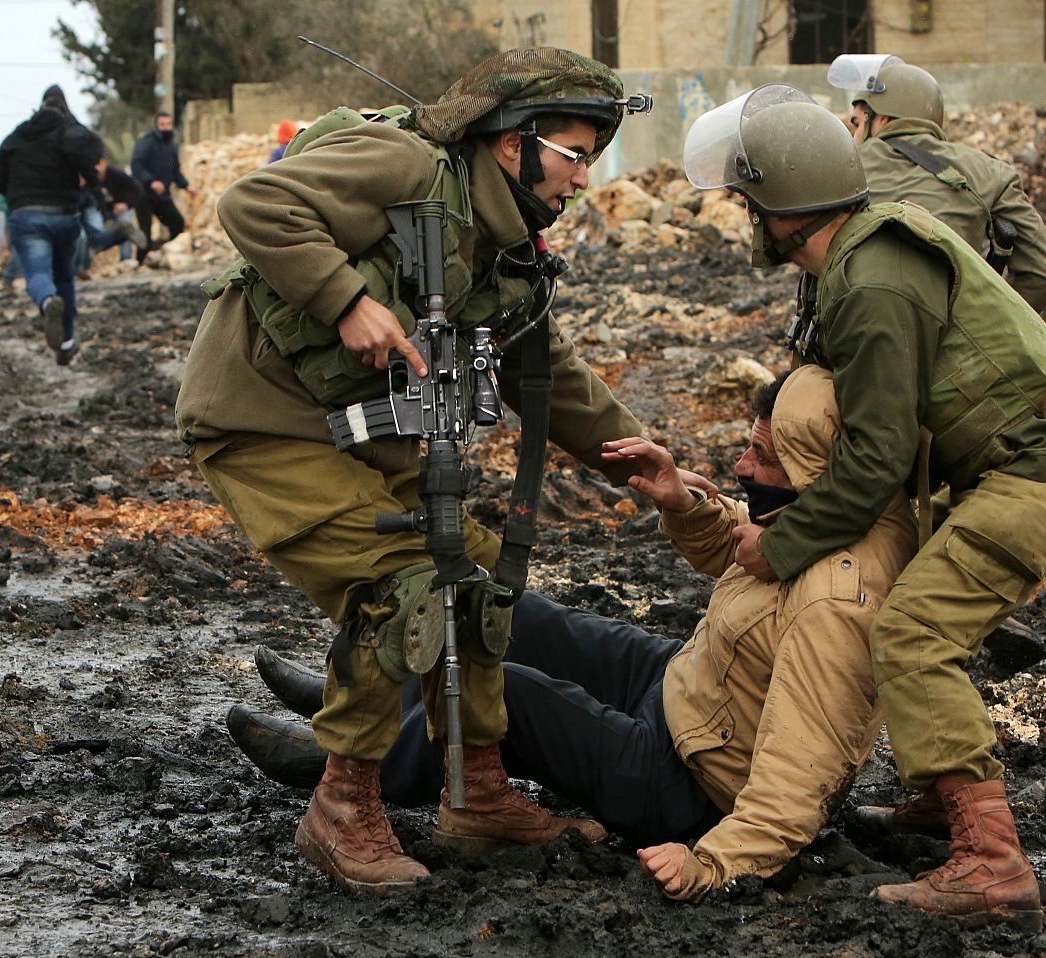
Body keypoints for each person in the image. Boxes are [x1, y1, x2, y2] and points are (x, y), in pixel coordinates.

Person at [175, 47, 654, 896]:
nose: (584, 179)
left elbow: (547, 373)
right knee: (402, 590)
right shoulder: (407, 164)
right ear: (512, 141)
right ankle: (342, 806)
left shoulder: (510, 240)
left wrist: (640, 456)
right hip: (266, 424)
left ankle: (478, 797)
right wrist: (345, 298)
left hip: (373, 437)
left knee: (473, 587)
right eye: (575, 153)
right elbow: (255, 201)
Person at [681, 84, 1046, 930]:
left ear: (785, 205)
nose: (746, 219)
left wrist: (782, 546)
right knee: (912, 603)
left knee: (915, 630)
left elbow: (877, 457)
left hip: (1041, 468)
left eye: (750, 202)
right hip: (1000, 465)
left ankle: (990, 862)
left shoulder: (872, 282)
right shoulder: (847, 265)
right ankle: (939, 792)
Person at [228, 366, 917, 901]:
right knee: (511, 616)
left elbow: (803, 767)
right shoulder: (843, 508)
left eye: (760, 457)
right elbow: (753, 556)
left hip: (691, 782)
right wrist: (687, 504)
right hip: (699, 686)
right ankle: (358, 707)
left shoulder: (840, 606)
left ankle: (348, 763)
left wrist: (714, 860)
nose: (742, 467)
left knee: (505, 695)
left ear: (811, 467)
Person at [827, 55, 1046, 312]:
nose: (855, 136)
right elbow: (1043, 272)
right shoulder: (990, 172)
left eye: (858, 124)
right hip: (948, 337)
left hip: (856, 333)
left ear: (881, 119)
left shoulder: (839, 167)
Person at [0, 84, 104, 365]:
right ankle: (66, 340)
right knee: (65, 276)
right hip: (65, 215)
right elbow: (91, 163)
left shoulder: (17, 135)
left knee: (38, 274)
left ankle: (47, 302)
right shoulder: (69, 132)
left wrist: (19, 188)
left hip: (27, 216)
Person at [130, 112, 195, 257]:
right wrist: (151, 181)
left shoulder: (172, 146)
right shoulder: (146, 142)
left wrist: (186, 186)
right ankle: (140, 262)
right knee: (145, 231)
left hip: (162, 196)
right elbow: (137, 166)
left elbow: (175, 171)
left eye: (168, 124)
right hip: (144, 196)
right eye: (162, 125)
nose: (166, 128)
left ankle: (166, 253)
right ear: (156, 126)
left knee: (177, 224)